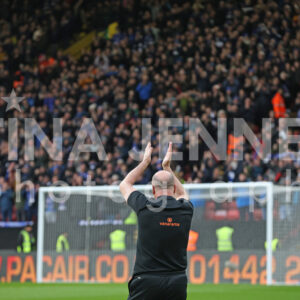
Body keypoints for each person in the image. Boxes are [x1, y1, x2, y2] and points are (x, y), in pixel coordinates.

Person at [120, 142, 194, 300]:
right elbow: (183, 194)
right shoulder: (185, 209)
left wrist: (145, 162)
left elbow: (125, 184)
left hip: (147, 281)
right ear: (173, 189)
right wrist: (167, 168)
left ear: (153, 190)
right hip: (177, 282)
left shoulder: (145, 206)